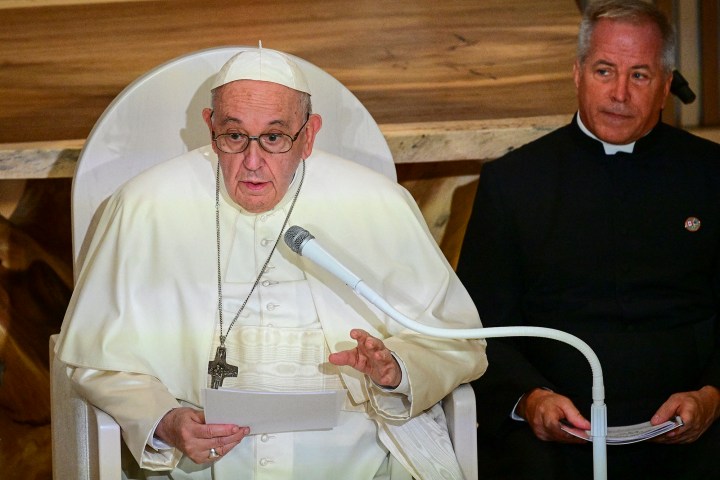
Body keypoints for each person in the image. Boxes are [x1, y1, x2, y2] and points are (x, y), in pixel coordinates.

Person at [56, 46, 487, 479]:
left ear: (310, 134)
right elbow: (94, 356)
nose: (253, 161)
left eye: (275, 137)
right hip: (202, 457)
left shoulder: (377, 203)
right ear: (210, 128)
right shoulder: (146, 205)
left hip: (360, 449)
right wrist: (164, 419)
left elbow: (456, 339)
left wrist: (397, 369)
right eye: (234, 136)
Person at [456, 1, 720, 479]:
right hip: (555, 429)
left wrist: (713, 395)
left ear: (665, 85)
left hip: (694, 425)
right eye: (605, 70)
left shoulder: (712, 174)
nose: (619, 93)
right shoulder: (513, 182)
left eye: (639, 75)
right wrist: (529, 399)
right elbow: (480, 325)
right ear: (577, 73)